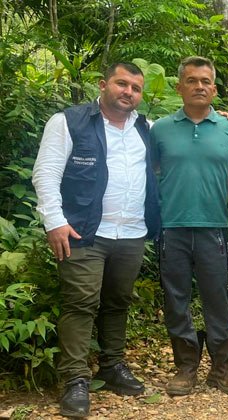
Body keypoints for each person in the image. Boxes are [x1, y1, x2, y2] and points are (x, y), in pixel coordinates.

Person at [32, 62, 158, 417]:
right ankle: (74, 379)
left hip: (132, 232)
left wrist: (217, 112)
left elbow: (181, 128)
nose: (128, 92)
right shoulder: (69, 121)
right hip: (83, 231)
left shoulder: (145, 128)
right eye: (121, 84)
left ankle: (112, 366)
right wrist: (54, 221)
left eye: (135, 88)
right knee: (81, 303)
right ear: (103, 85)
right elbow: (46, 172)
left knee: (118, 302)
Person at [150, 56, 228, 397]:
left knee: (218, 298)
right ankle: (186, 368)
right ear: (179, 86)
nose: (199, 86)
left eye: (205, 82)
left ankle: (221, 369)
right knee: (176, 297)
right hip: (172, 227)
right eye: (192, 80)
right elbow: (150, 174)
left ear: (214, 88)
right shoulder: (161, 129)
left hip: (214, 226)